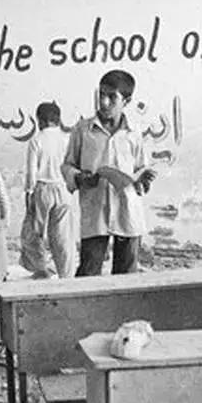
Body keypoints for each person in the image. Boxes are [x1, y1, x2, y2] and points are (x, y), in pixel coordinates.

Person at [62, 70, 156, 277]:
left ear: (126, 101)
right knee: (89, 272)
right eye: (101, 95)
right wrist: (79, 177)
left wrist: (142, 181)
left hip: (127, 211)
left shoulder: (134, 132)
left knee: (126, 275)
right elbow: (67, 165)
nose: (104, 102)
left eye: (112, 97)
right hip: (95, 211)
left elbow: (141, 168)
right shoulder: (83, 130)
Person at [20, 102, 75, 279]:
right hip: (64, 188)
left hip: (43, 188)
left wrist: (29, 193)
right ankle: (66, 275)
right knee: (62, 236)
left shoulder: (36, 140)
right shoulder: (67, 139)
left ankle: (41, 269)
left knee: (35, 232)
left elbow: (31, 171)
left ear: (41, 120)